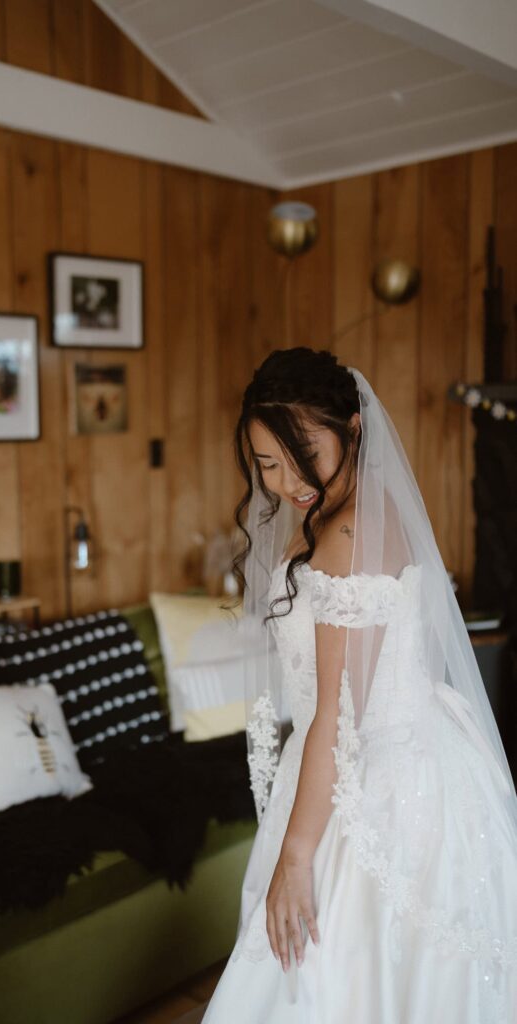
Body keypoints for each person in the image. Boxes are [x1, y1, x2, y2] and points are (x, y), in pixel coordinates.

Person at [200, 347, 517, 1023]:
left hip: (371, 782)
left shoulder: (347, 535)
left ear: (354, 427)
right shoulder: (343, 515)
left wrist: (297, 856)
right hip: (372, 758)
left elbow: (337, 717)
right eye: (268, 464)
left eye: (304, 454)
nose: (288, 481)